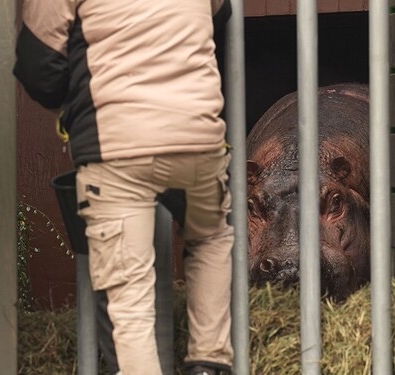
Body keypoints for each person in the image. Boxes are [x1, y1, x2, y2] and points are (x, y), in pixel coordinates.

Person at [14, 1, 234, 374]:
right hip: (198, 134)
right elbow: (219, 15)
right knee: (210, 237)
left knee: (128, 296)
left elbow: (39, 68)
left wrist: (74, 106)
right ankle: (209, 363)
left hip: (117, 145)